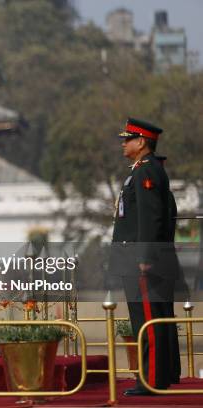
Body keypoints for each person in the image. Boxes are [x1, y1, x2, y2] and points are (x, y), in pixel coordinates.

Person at [109, 118, 181, 396]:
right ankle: (160, 375)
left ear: (141, 142)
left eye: (128, 139)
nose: (123, 143)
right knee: (154, 317)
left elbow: (151, 218)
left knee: (147, 320)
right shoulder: (142, 171)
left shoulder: (146, 172)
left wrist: (145, 255)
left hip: (143, 260)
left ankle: (150, 379)